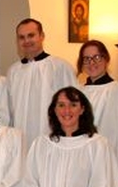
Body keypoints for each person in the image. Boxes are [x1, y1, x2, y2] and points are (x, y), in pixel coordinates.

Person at [7, 18, 77, 149]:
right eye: (21, 37)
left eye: (31, 35)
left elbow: (73, 107)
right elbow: (10, 112)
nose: (26, 41)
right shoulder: (13, 71)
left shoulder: (60, 67)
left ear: (42, 36)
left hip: (53, 141)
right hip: (20, 142)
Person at [77, 40, 118, 180]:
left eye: (97, 57)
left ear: (106, 59)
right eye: (86, 59)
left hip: (110, 158)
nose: (92, 62)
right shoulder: (78, 91)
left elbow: (117, 131)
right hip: (83, 158)